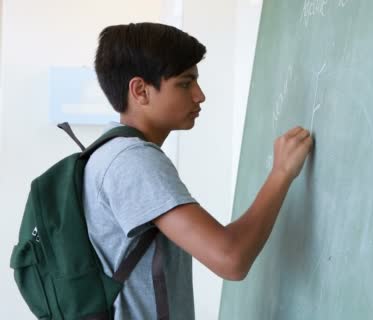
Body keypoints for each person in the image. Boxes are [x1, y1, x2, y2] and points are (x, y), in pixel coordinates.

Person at [85, 22, 313, 319]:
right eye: (184, 83)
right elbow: (231, 259)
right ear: (140, 90)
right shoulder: (133, 162)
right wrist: (281, 173)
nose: (199, 95)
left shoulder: (107, 155)